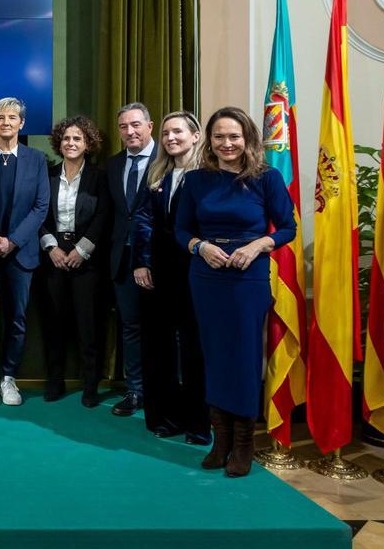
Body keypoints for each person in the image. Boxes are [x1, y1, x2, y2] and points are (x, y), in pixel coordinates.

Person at [176, 106, 295, 477]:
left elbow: (287, 228)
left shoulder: (266, 178)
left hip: (248, 277)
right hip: (207, 276)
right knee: (213, 356)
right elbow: (181, 230)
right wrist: (200, 246)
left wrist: (258, 245)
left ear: (247, 139)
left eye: (233, 136)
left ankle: (244, 444)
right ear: (208, 141)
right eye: (219, 136)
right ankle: (220, 440)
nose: (226, 143)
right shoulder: (196, 180)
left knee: (244, 357)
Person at [131, 111, 209, 444]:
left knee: (195, 347)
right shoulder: (156, 174)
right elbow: (143, 221)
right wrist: (141, 263)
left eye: (177, 131)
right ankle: (165, 417)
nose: (170, 138)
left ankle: (198, 422)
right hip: (157, 272)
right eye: (165, 133)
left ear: (195, 135)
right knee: (158, 346)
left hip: (197, 272)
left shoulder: (209, 176)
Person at [0, 97, 50, 407]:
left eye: (12, 118)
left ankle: (9, 378)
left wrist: (13, 241)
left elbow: (41, 206)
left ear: (21, 123)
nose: (6, 123)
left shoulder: (37, 159)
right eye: (1, 118)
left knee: (17, 319)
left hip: (21, 253)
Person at [39, 116, 110, 407]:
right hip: (53, 255)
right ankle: (54, 381)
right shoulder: (48, 174)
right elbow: (39, 214)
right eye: (66, 138)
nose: (71, 143)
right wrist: (51, 247)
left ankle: (90, 385)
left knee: (87, 323)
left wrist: (82, 250)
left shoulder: (100, 177)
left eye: (77, 138)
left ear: (88, 143)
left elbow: (104, 215)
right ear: (59, 143)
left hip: (87, 258)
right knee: (54, 323)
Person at [106, 102, 157, 417]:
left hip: (158, 261)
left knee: (167, 331)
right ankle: (136, 391)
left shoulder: (168, 161)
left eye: (136, 125)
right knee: (131, 328)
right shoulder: (113, 165)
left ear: (150, 126)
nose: (130, 131)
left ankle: (167, 392)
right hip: (121, 260)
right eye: (124, 126)